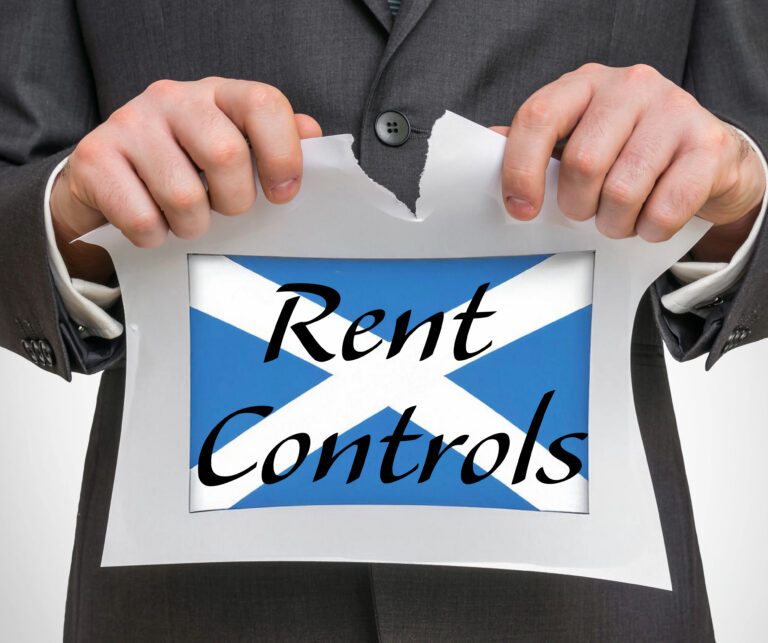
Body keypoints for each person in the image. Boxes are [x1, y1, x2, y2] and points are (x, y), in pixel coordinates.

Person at [1, 0, 766, 640]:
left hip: (587, 607)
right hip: (194, 604)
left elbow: (748, 164)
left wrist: (733, 206)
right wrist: (74, 211)